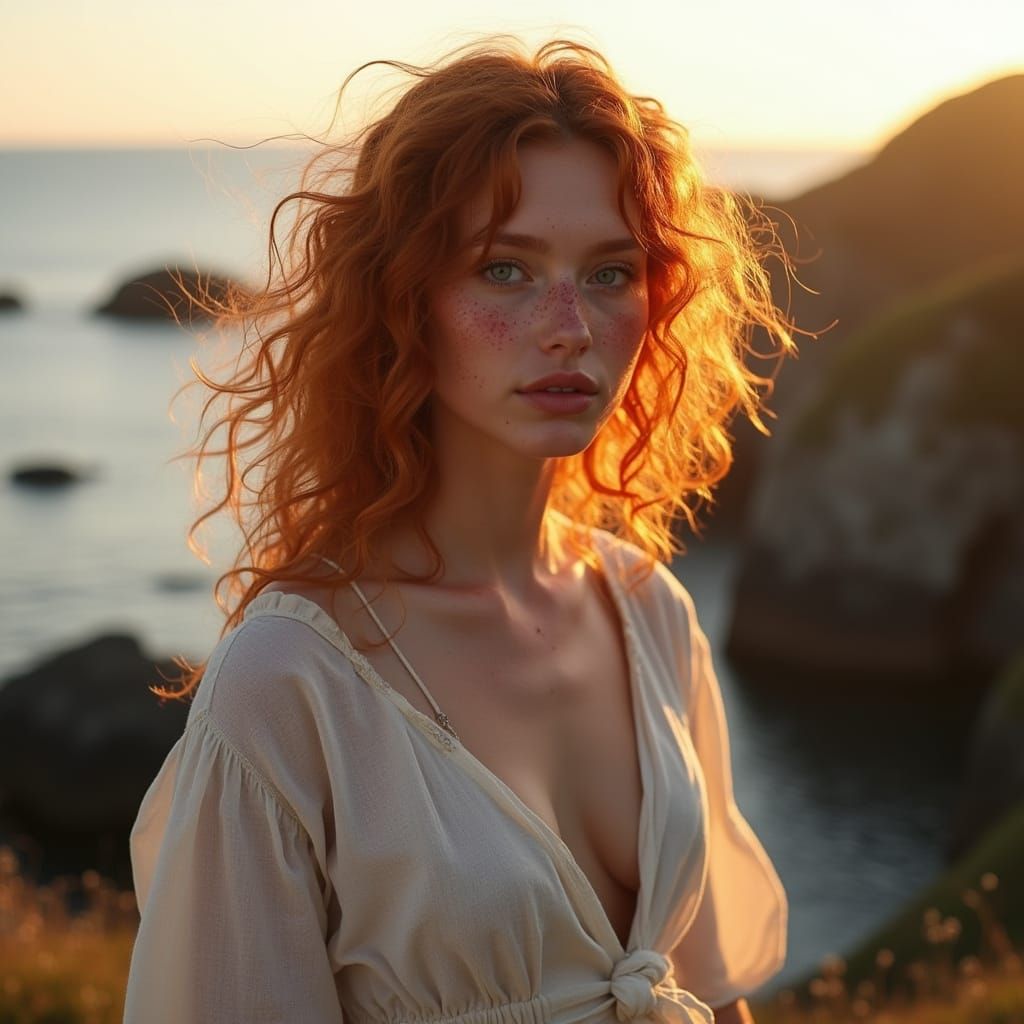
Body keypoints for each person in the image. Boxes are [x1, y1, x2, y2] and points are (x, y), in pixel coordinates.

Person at [124, 37, 797, 1024]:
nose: (567, 324)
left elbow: (701, 987)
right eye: (505, 269)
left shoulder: (649, 611)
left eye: (610, 273)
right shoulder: (288, 685)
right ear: (403, 302)